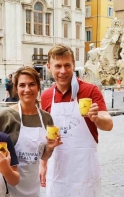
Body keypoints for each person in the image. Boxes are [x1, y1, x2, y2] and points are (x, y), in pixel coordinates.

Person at [40, 44, 113, 197]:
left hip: (84, 171)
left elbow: (108, 124)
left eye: (67, 65)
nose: (63, 71)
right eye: (57, 66)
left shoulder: (90, 90)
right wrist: (43, 164)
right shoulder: (46, 96)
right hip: (57, 171)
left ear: (73, 65)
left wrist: (96, 117)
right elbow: (46, 136)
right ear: (49, 66)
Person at [0, 66, 62, 197]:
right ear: (16, 89)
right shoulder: (5, 116)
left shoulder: (46, 118)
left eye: (32, 84)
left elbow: (42, 156)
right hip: (6, 189)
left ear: (38, 87)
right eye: (22, 85)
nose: (27, 89)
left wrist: (50, 148)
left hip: (32, 188)